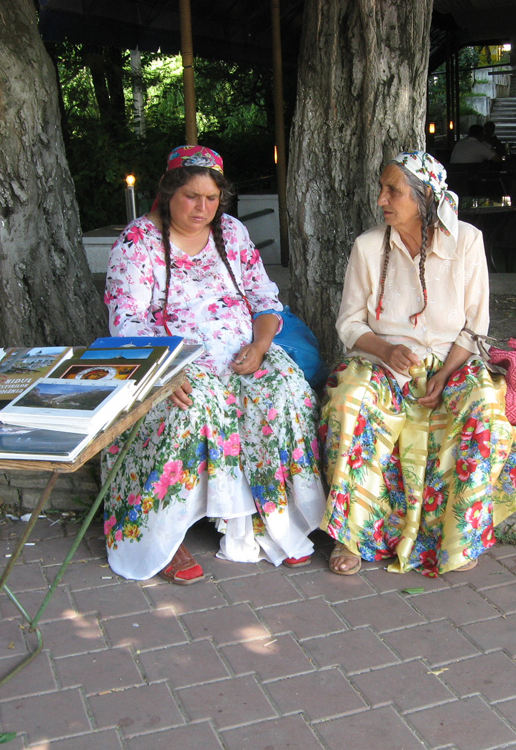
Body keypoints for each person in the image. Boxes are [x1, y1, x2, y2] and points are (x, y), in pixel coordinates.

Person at [320, 151, 516, 577]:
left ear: (425, 196)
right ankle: (350, 535)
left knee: (485, 405)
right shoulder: (369, 247)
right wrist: (385, 350)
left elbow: (475, 325)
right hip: (384, 364)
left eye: (393, 190)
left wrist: (446, 375)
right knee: (350, 403)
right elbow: (350, 322)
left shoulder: (466, 241)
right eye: (382, 189)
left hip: (453, 361)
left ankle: (459, 537)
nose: (381, 200)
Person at [102, 145, 324, 585]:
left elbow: (265, 300)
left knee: (286, 388)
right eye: (190, 197)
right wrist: (167, 372)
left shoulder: (233, 233)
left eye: (211, 198)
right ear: (168, 193)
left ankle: (269, 513)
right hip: (174, 361)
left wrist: (261, 346)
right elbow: (126, 320)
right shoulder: (138, 241)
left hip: (243, 351)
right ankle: (159, 533)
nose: (202, 208)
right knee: (195, 404)